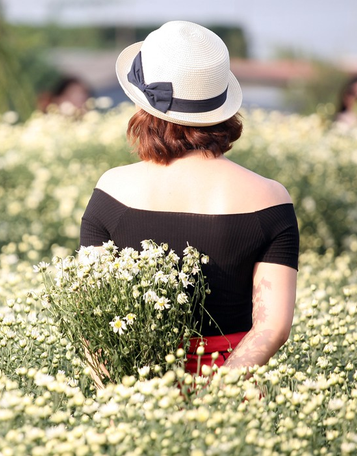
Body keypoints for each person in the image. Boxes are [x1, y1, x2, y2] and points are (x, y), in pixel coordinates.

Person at [79, 21, 299, 375]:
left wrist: (121, 393)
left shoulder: (112, 189)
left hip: (134, 392)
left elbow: (91, 323)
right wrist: (221, 392)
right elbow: (272, 327)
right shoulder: (270, 198)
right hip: (231, 394)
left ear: (143, 105)